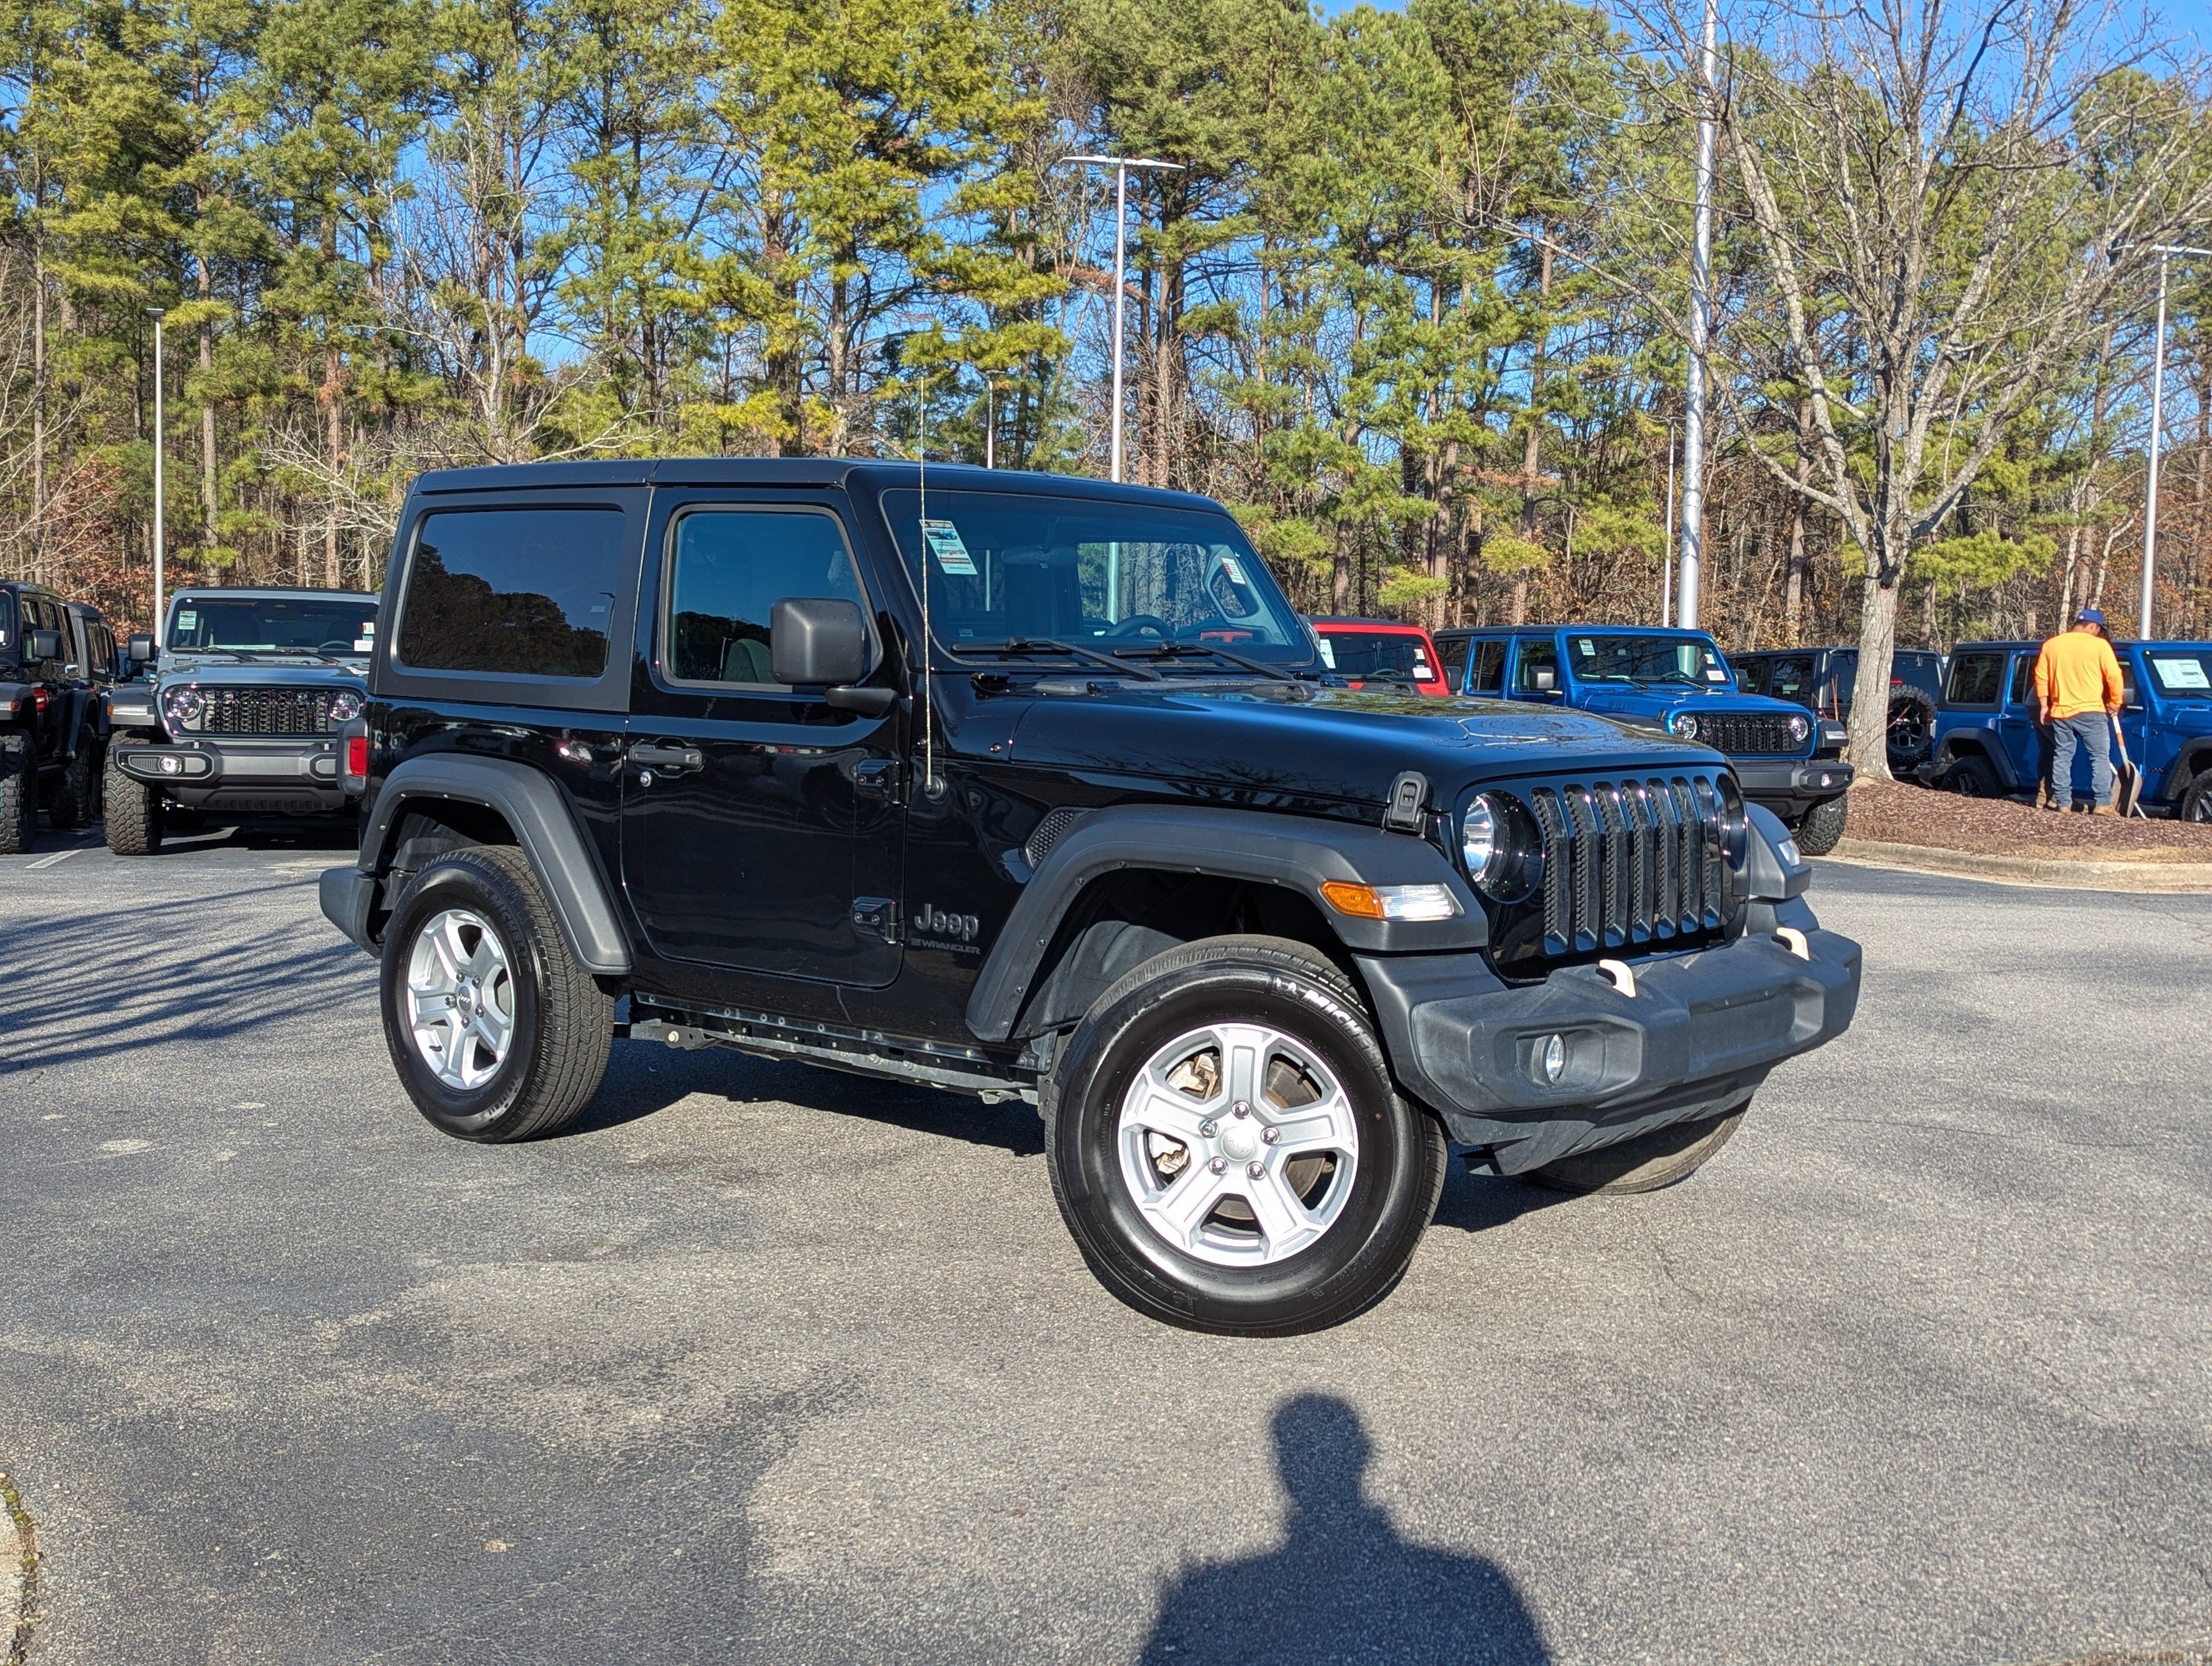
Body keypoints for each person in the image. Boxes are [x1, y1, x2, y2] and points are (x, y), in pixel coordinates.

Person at [2034, 608, 2126, 813]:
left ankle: (2064, 803)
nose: (2098, 633)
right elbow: (2115, 676)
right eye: (2098, 629)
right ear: (2093, 627)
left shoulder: (2052, 645)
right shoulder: (2100, 646)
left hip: (2061, 712)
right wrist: (2115, 703)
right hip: (2092, 711)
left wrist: (2044, 706)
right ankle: (2103, 803)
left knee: (2063, 756)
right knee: (2100, 757)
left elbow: (2041, 677)